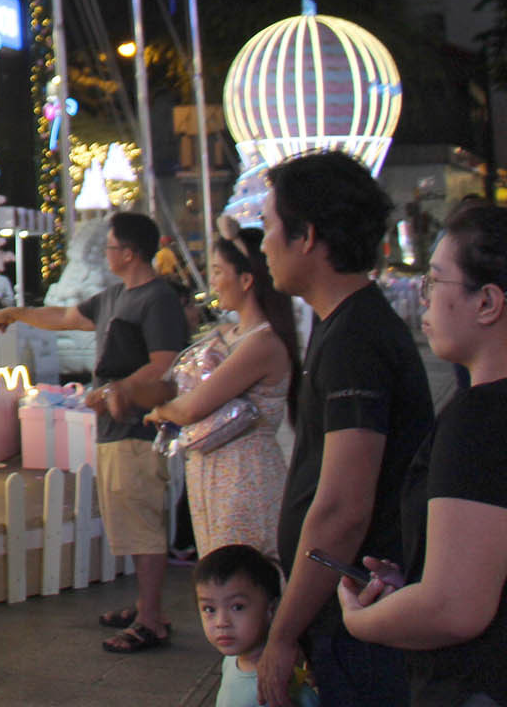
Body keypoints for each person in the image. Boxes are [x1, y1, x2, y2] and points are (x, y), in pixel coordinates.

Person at [258, 150, 432, 707]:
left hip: (360, 621)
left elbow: (343, 509)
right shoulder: (346, 327)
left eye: (268, 226)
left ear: (306, 236)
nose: (262, 245)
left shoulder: (356, 339)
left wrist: (283, 633)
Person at [0, 210, 188, 654]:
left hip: (139, 427)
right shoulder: (115, 297)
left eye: (111, 246)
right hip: (113, 425)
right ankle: (146, 606)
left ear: (130, 252)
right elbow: (64, 316)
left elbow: (166, 364)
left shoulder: (158, 300)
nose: (107, 253)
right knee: (129, 520)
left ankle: (152, 618)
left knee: (142, 522)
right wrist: (17, 313)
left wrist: (121, 389)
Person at [341, 203, 507, 707]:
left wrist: (361, 621)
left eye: (435, 283)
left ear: (488, 303)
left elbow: (453, 607)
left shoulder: (482, 418)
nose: (423, 296)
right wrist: (416, 579)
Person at [145, 234, 299, 560]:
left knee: (241, 576)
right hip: (208, 472)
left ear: (246, 280)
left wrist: (160, 411)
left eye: (217, 271)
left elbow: (192, 407)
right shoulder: (226, 335)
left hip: (244, 476)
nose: (212, 282)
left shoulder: (263, 343)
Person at [196, 544, 319, 707]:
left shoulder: (273, 686)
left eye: (237, 607)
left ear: (272, 609)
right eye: (209, 609)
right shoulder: (232, 661)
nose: (221, 622)